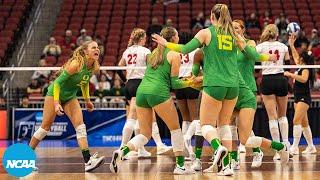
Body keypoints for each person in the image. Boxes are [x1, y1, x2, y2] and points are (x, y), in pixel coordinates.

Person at [152, 4, 246, 176]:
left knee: (205, 125)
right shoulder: (234, 34)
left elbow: (185, 48)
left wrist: (166, 43)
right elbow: (250, 55)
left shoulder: (206, 33)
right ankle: (227, 166)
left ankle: (216, 149)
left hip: (213, 85)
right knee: (224, 125)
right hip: (233, 86)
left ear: (211, 16)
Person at [110, 27, 197, 175]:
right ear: (174, 39)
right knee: (175, 129)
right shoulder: (174, 54)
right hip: (158, 92)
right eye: (177, 36)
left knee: (144, 134)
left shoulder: (154, 53)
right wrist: (192, 82)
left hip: (142, 92)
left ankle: (122, 151)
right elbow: (175, 84)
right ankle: (181, 166)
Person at [29, 41, 105, 172]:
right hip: (54, 94)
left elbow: (84, 82)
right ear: (86, 51)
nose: (97, 49)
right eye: (93, 47)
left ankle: (88, 161)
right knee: (44, 128)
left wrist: (87, 100)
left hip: (70, 97)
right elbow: (57, 82)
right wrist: (56, 103)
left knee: (80, 126)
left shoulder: (94, 66)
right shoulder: (76, 64)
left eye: (97, 47)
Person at [228, 20, 289, 169]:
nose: (234, 30)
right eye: (232, 28)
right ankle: (234, 159)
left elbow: (254, 56)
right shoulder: (228, 45)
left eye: (237, 28)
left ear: (242, 30)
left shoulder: (250, 43)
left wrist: (240, 41)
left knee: (243, 126)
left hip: (247, 87)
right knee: (231, 124)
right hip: (232, 88)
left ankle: (259, 151)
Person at [118, 28, 171, 158]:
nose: (146, 40)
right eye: (145, 38)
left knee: (139, 117)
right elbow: (151, 67)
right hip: (140, 84)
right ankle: (122, 147)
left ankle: (141, 149)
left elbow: (119, 67)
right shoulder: (145, 51)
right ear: (142, 38)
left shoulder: (127, 51)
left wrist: (125, 80)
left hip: (129, 84)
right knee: (137, 115)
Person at [256, 24, 291, 161]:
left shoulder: (260, 47)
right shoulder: (283, 47)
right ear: (277, 34)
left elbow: (257, 70)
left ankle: (278, 151)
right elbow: (287, 65)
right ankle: (286, 144)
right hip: (281, 79)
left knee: (272, 116)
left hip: (267, 80)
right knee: (282, 115)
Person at [285, 34, 316, 154]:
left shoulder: (306, 69)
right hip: (298, 96)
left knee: (296, 121)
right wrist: (291, 45)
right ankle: (311, 146)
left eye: (300, 57)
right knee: (304, 123)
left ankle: (295, 147)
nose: (298, 58)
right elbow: (295, 56)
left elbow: (303, 79)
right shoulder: (300, 66)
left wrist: (290, 75)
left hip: (304, 97)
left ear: (304, 59)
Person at [174, 32, 200, 162]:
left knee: (185, 118)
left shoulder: (176, 52)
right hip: (191, 82)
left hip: (179, 84)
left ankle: (187, 150)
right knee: (195, 117)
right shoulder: (195, 50)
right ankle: (189, 146)